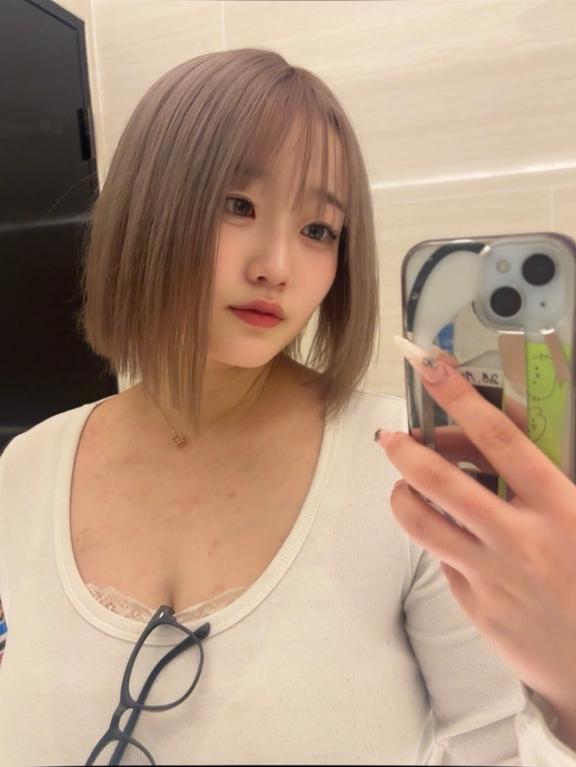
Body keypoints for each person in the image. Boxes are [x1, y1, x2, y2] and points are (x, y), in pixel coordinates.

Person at [0, 47, 574, 766]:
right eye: (237, 205)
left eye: (318, 230)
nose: (276, 265)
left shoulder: (407, 468)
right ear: (147, 207)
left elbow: (497, 747)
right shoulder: (25, 471)